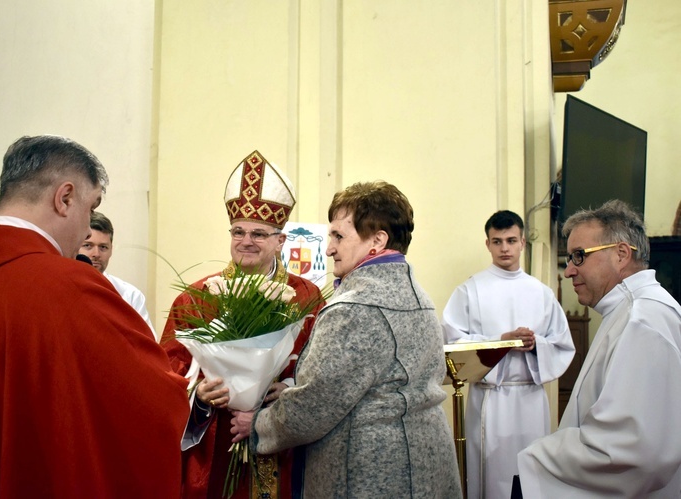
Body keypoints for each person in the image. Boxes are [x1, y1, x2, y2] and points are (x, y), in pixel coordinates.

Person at [0, 135, 190, 498]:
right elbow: (158, 405)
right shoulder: (72, 288)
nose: (87, 230)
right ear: (65, 198)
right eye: (90, 207)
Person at [230, 181, 462, 498]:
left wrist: (257, 426)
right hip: (425, 464)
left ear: (377, 241)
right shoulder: (417, 295)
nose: (329, 248)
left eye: (339, 236)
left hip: (372, 473)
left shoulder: (355, 307)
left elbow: (313, 408)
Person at [160, 150, 325, 499]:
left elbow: (323, 368)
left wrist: (292, 387)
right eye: (238, 231)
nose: (245, 241)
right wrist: (198, 396)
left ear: (281, 240)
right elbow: (167, 372)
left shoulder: (307, 297)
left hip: (283, 444)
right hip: (215, 443)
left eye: (259, 234)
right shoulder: (196, 298)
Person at [517, 199, 681, 497]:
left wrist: (537, 458)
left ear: (621, 254)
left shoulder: (642, 319)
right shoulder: (628, 311)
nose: (568, 272)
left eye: (579, 256)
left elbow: (632, 449)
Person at [441, 210, 575, 499]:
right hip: (491, 399)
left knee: (531, 473)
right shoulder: (470, 289)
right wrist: (499, 342)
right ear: (487, 244)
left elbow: (562, 343)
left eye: (511, 240)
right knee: (491, 478)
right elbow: (452, 341)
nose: (505, 248)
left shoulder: (541, 293)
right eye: (497, 241)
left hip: (530, 399)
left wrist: (535, 343)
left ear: (523, 242)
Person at [79, 211, 158, 340]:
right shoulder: (60, 287)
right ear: (76, 246)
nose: (96, 254)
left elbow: (148, 344)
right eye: (88, 246)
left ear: (111, 250)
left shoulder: (130, 295)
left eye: (103, 247)